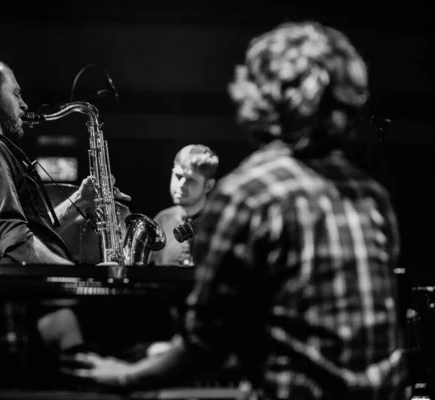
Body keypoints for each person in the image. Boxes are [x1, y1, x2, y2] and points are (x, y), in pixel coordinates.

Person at [64, 21, 409, 398]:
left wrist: (125, 376)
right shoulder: (372, 196)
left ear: (259, 98)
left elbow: (207, 344)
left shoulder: (248, 194)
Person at [0, 56, 129, 267]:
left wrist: (79, 199)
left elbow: (23, 229)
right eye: (16, 93)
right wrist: (85, 279)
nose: (23, 105)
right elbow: (15, 241)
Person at [148, 145, 218, 266]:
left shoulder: (218, 222)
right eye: (178, 176)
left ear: (209, 186)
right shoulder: (162, 219)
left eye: (190, 180)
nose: (181, 185)